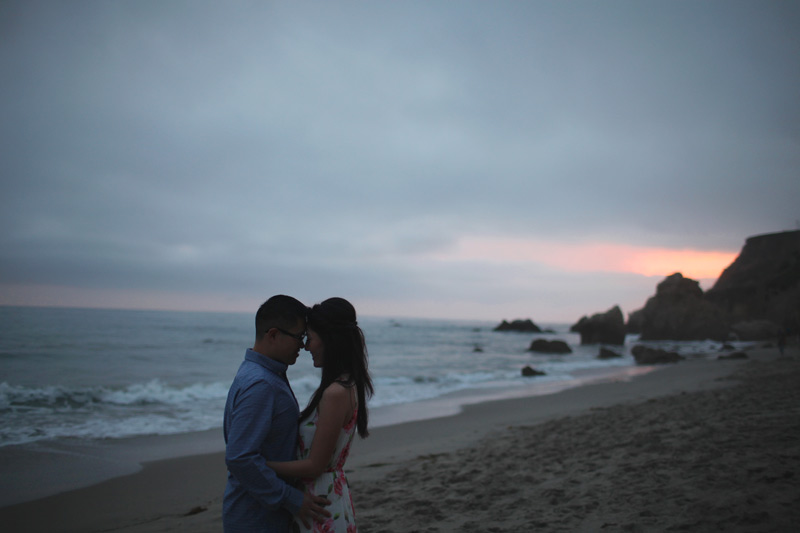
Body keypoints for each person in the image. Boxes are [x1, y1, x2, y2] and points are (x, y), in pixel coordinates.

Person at [223, 295, 331, 533]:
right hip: (256, 519)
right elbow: (240, 457)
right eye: (299, 337)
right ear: (273, 334)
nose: (303, 346)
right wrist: (292, 499)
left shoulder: (264, 374)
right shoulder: (261, 384)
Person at [267, 297, 374, 533]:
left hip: (319, 503)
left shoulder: (335, 393)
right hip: (328, 496)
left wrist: (262, 464)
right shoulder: (347, 383)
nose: (306, 347)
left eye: (310, 338)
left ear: (329, 340)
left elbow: (315, 466)